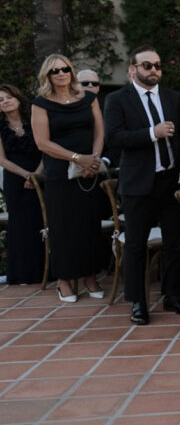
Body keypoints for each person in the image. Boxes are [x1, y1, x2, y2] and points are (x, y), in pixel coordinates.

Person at [103, 47, 180, 324]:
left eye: (157, 65)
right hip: (137, 183)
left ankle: (172, 296)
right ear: (133, 69)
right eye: (147, 65)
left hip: (171, 181)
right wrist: (151, 133)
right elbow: (115, 138)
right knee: (135, 245)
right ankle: (138, 302)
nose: (153, 70)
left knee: (174, 242)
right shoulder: (117, 100)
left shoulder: (172, 98)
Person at [30, 55, 106, 302]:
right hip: (60, 174)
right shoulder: (41, 103)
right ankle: (63, 280)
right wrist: (77, 158)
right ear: (47, 76)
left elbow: (99, 131)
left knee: (89, 225)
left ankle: (90, 277)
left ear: (71, 72)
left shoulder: (89, 99)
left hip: (89, 172)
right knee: (64, 228)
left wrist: (93, 159)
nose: (61, 73)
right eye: (55, 71)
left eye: (65, 69)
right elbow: (42, 142)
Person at [0, 84, 45, 285]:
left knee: (42, 220)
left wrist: (37, 175)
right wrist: (27, 175)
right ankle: (23, 273)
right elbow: (1, 159)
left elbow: (46, 148)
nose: (5, 101)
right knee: (20, 225)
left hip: (42, 174)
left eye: (8, 97)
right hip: (15, 178)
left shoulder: (34, 120)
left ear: (18, 98)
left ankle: (47, 270)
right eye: (0, 100)